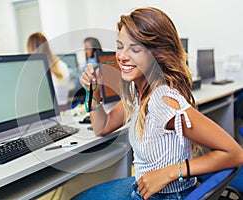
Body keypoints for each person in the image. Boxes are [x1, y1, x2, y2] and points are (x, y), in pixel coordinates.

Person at [73, 7, 243, 200]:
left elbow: (235, 153)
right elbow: (102, 127)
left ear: (157, 54)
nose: (122, 56)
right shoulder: (139, 93)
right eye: (120, 46)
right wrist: (93, 92)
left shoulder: (162, 101)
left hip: (167, 195)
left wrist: (170, 172)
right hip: (146, 186)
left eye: (135, 49)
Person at [26, 32, 70, 107]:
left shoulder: (35, 70)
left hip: (48, 112)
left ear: (30, 48)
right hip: (64, 109)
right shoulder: (62, 65)